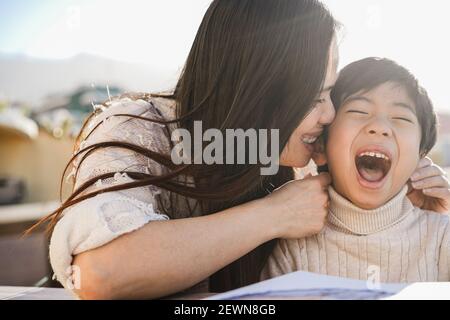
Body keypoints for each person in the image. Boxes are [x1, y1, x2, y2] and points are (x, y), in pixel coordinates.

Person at [29, 1, 449, 299]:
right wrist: (272, 216)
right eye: (315, 96)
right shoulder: (139, 127)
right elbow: (103, 273)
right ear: (261, 92)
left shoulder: (287, 152)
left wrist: (411, 195)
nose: (330, 113)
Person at [261, 58, 450, 283]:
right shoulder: (294, 247)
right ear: (321, 146)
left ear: (420, 156)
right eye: (359, 111)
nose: (379, 127)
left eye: (400, 118)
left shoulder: (442, 238)